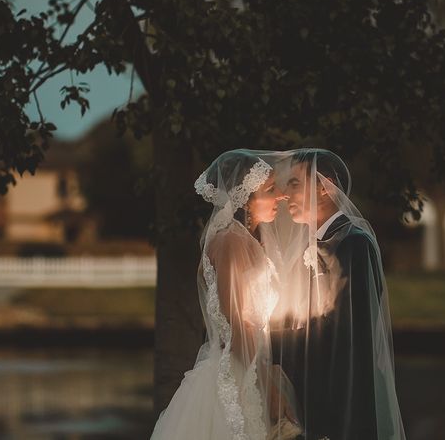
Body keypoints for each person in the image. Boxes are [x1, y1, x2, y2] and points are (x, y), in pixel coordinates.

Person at [150, 149, 301, 440]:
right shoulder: (230, 240)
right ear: (245, 198)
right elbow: (234, 321)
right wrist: (267, 386)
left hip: (251, 363)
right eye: (270, 190)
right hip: (237, 372)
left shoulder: (244, 240)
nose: (281, 196)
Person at [272, 148, 407, 440]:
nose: (284, 193)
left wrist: (268, 342)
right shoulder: (309, 249)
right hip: (315, 398)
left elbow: (344, 331)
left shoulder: (353, 244)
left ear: (324, 185)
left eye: (294, 183)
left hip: (347, 404)